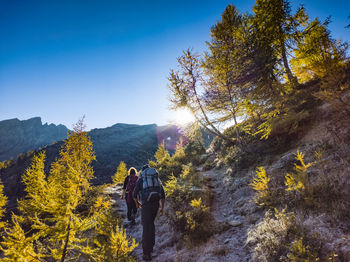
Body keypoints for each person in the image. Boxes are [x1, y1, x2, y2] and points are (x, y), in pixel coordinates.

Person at [133, 164, 165, 261]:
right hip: (156, 204)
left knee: (146, 227)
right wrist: (162, 208)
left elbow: (134, 194)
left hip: (146, 204)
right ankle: (150, 249)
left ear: (143, 172)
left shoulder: (142, 178)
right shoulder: (156, 179)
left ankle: (146, 254)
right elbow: (163, 195)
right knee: (151, 224)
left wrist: (138, 203)